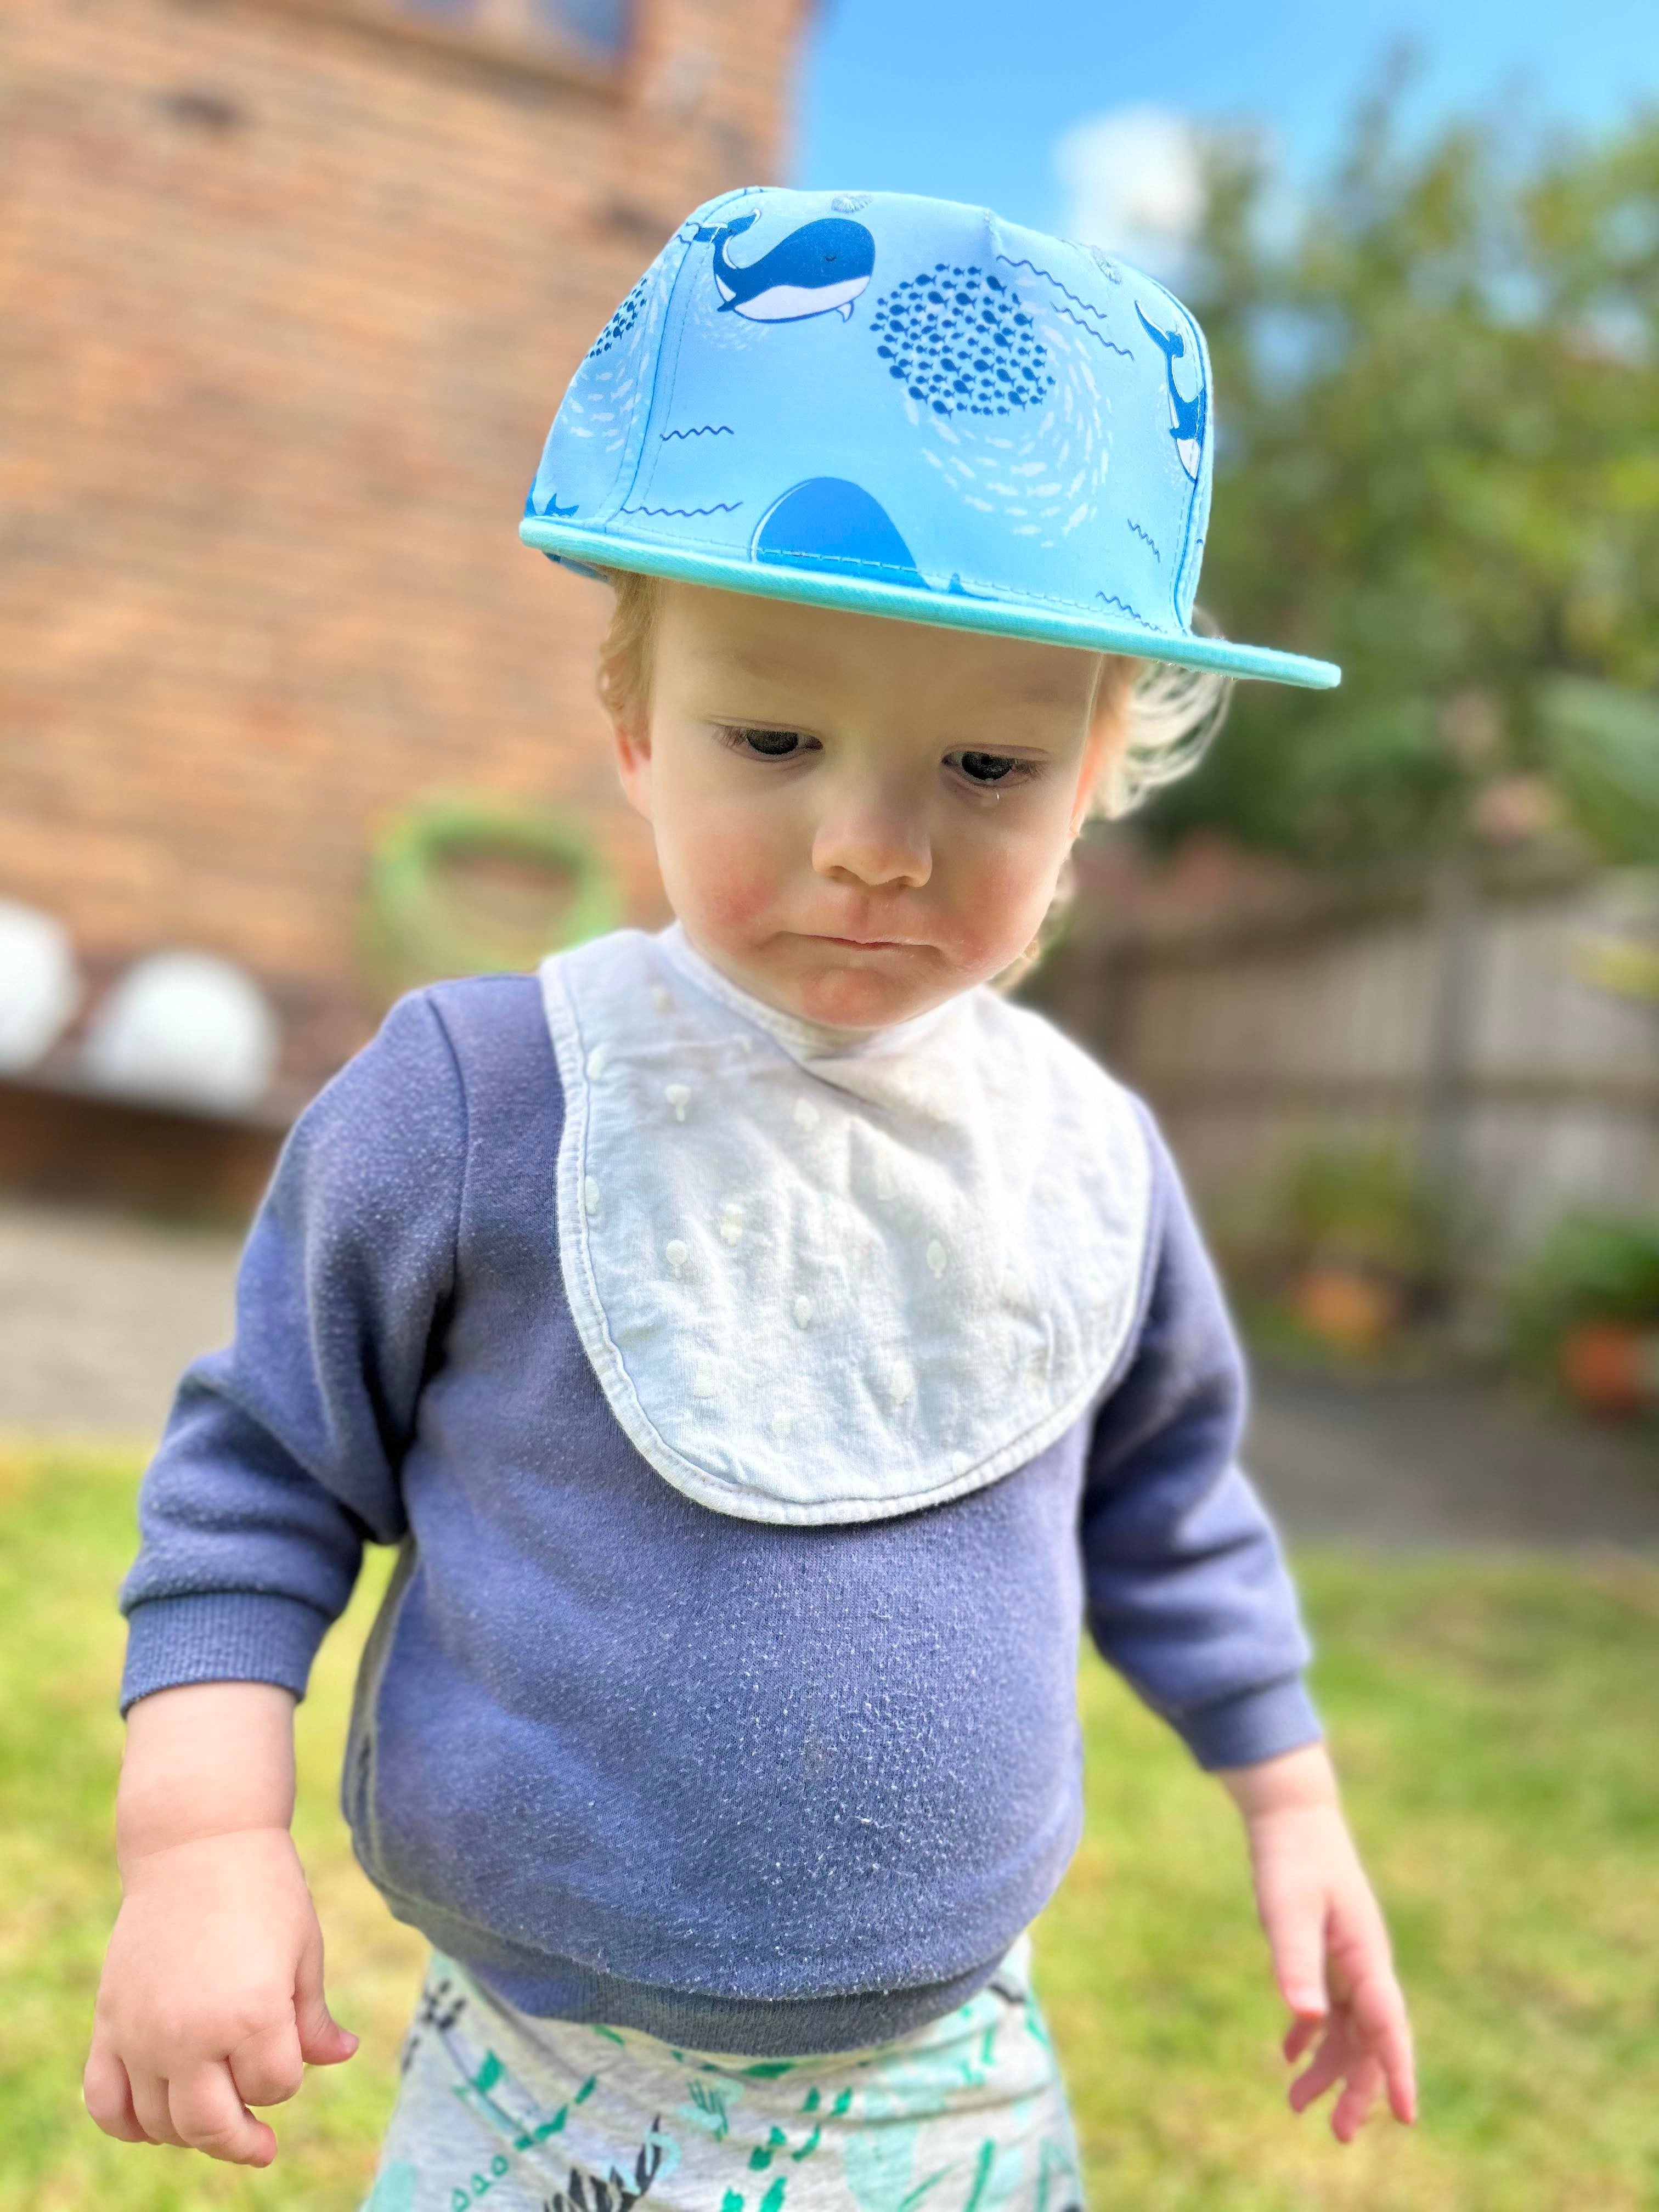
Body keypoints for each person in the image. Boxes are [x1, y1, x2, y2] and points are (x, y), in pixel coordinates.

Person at [84, 190, 1416, 2209]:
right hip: (545, 2073)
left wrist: (1293, 1805)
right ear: (633, 725)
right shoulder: (483, 1100)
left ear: (1097, 783)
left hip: (952, 2067)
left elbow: (1170, 1501)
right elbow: (261, 1477)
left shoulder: (1085, 1160)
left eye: (987, 768)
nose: (876, 842)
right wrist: (197, 1846)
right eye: (776, 736)